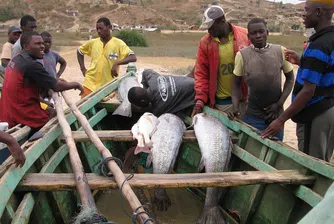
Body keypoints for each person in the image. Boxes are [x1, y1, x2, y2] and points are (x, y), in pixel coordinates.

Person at [262, 0, 334, 161]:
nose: (303, 15)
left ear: (319, 12)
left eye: (306, 10)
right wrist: (302, 61)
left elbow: (308, 91)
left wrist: (281, 120)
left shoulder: (319, 45)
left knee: (312, 166)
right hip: (328, 108)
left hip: (316, 114)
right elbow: (325, 70)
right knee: (322, 160)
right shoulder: (329, 39)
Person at [0, 31, 84, 136]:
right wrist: (76, 84)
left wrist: (53, 82)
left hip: (7, 111)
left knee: (50, 110)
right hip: (20, 113)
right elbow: (57, 86)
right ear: (26, 46)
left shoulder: (16, 59)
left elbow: (22, 88)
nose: (42, 46)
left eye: (42, 43)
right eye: (37, 44)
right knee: (54, 116)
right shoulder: (31, 65)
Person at [230, 18, 294, 141]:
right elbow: (236, 84)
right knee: (252, 148)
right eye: (254, 33)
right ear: (248, 36)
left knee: (275, 150)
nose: (258, 36)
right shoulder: (242, 55)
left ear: (267, 32)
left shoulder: (280, 51)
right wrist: (235, 106)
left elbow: (290, 79)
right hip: (252, 115)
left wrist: (279, 104)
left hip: (275, 116)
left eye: (261, 31)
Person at [191, 5, 250, 117]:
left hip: (245, 101)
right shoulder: (205, 43)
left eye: (212, 27)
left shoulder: (245, 36)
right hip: (222, 103)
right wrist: (200, 100)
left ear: (222, 21)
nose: (209, 31)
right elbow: (201, 74)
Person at [77, 17, 137, 98]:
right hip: (90, 84)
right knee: (84, 109)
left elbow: (133, 57)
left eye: (101, 28)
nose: (98, 31)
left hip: (107, 87)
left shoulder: (118, 43)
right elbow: (80, 51)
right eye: (97, 28)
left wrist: (117, 63)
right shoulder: (93, 43)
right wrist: (83, 69)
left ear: (109, 27)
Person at [128, 69, 195, 117]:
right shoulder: (153, 79)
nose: (140, 107)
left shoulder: (159, 109)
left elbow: (156, 118)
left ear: (143, 101)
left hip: (199, 92)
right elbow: (146, 72)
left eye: (139, 105)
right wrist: (145, 87)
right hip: (192, 81)